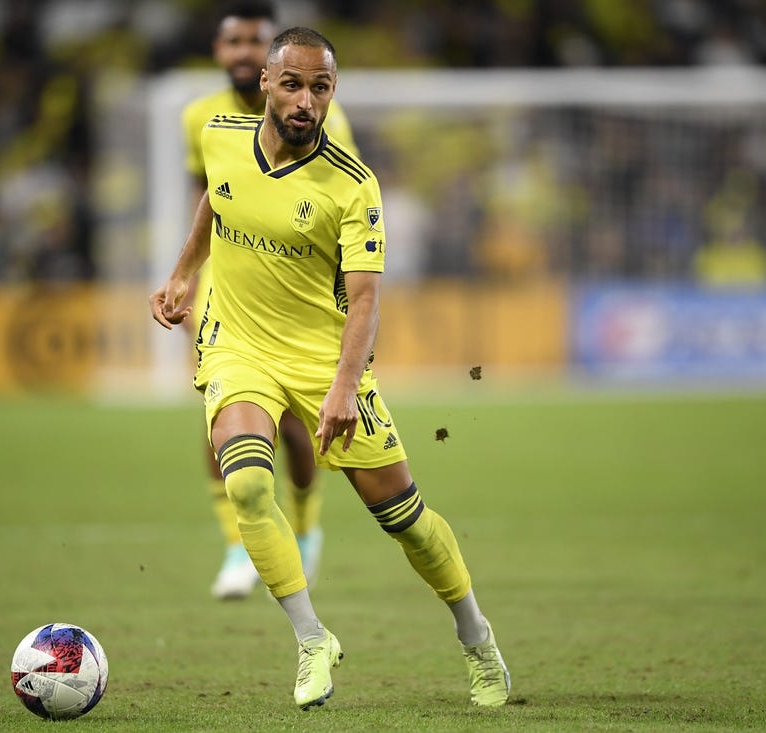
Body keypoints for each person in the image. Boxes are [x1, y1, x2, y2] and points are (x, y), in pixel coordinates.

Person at [151, 26, 510, 710]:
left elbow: (368, 298)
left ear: (331, 96)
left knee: (403, 516)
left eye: (321, 88)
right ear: (265, 82)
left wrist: (345, 386)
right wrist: (182, 274)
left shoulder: (352, 185)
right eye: (292, 84)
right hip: (239, 345)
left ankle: (476, 636)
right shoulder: (220, 134)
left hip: (325, 360)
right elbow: (216, 199)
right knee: (251, 487)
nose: (305, 101)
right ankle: (312, 637)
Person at [179, 1, 357, 600]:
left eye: (256, 42)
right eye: (233, 43)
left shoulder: (324, 120)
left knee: (294, 429)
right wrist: (185, 274)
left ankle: (305, 528)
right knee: (221, 422)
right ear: (220, 52)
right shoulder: (200, 120)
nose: (243, 52)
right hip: (223, 290)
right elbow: (206, 197)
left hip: (296, 299)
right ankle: (237, 546)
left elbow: (344, 214)